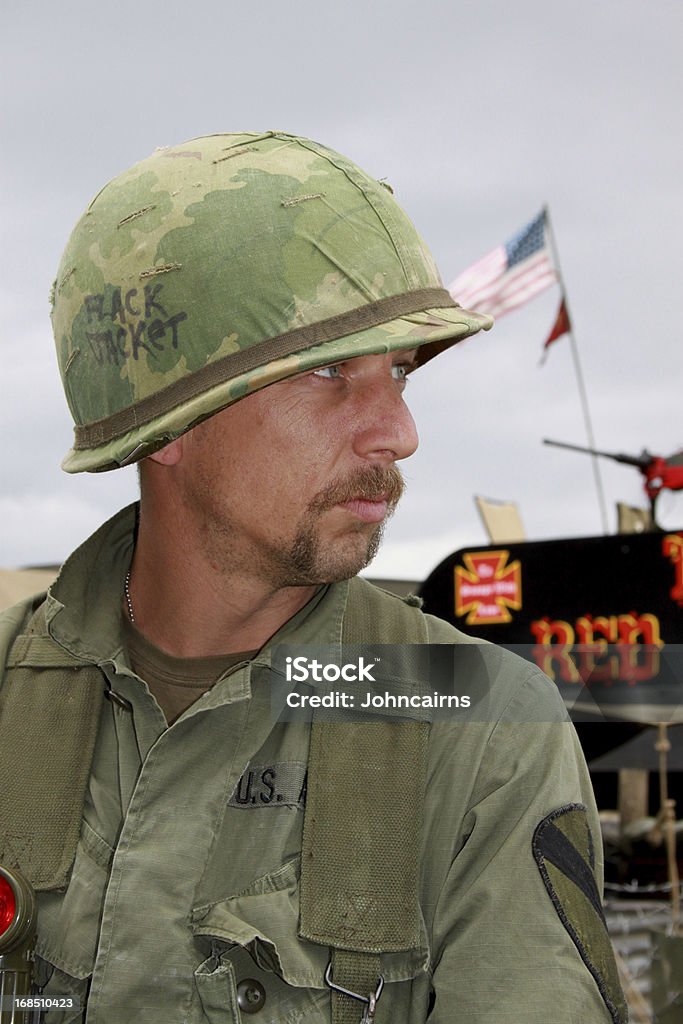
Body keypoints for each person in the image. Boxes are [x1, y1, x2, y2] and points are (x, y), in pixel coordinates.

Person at [0, 132, 626, 1024]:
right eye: (331, 370)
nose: (399, 433)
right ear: (167, 420)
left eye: (399, 372)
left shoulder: (477, 725)